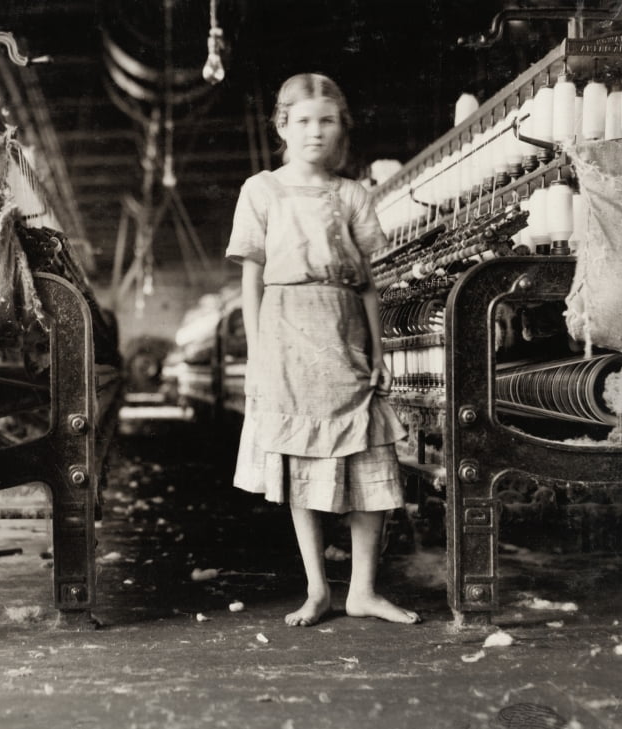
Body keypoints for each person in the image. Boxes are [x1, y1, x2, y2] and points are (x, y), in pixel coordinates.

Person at [226, 73, 419, 627]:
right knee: (301, 464)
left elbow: (367, 286)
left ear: (341, 128)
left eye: (327, 121)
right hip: (285, 333)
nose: (315, 132)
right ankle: (317, 589)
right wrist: (259, 355)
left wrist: (379, 355)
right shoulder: (260, 190)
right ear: (282, 125)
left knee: (369, 461)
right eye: (304, 120)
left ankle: (362, 590)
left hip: (345, 335)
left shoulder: (352, 194)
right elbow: (252, 280)